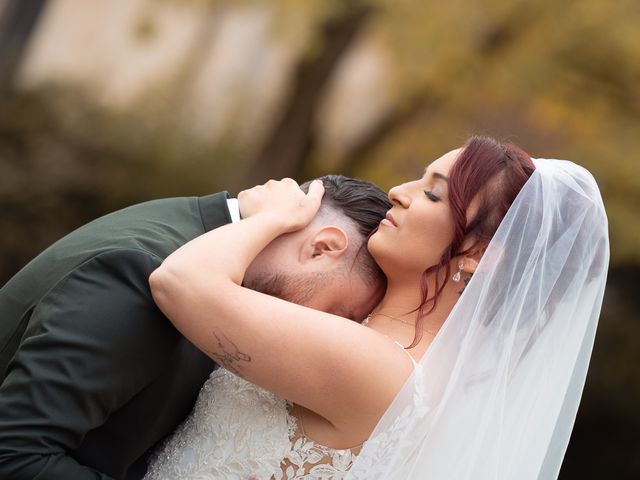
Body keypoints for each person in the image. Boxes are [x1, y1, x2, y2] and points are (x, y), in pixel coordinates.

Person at [145, 135, 609, 479]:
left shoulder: (386, 369)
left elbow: (179, 282)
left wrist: (273, 218)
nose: (398, 191)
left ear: (478, 255)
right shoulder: (381, 341)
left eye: (432, 193)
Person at [0, 175, 391, 480]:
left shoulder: (196, 238)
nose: (325, 331)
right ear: (322, 247)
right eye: (342, 315)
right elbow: (14, 454)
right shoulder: (139, 272)